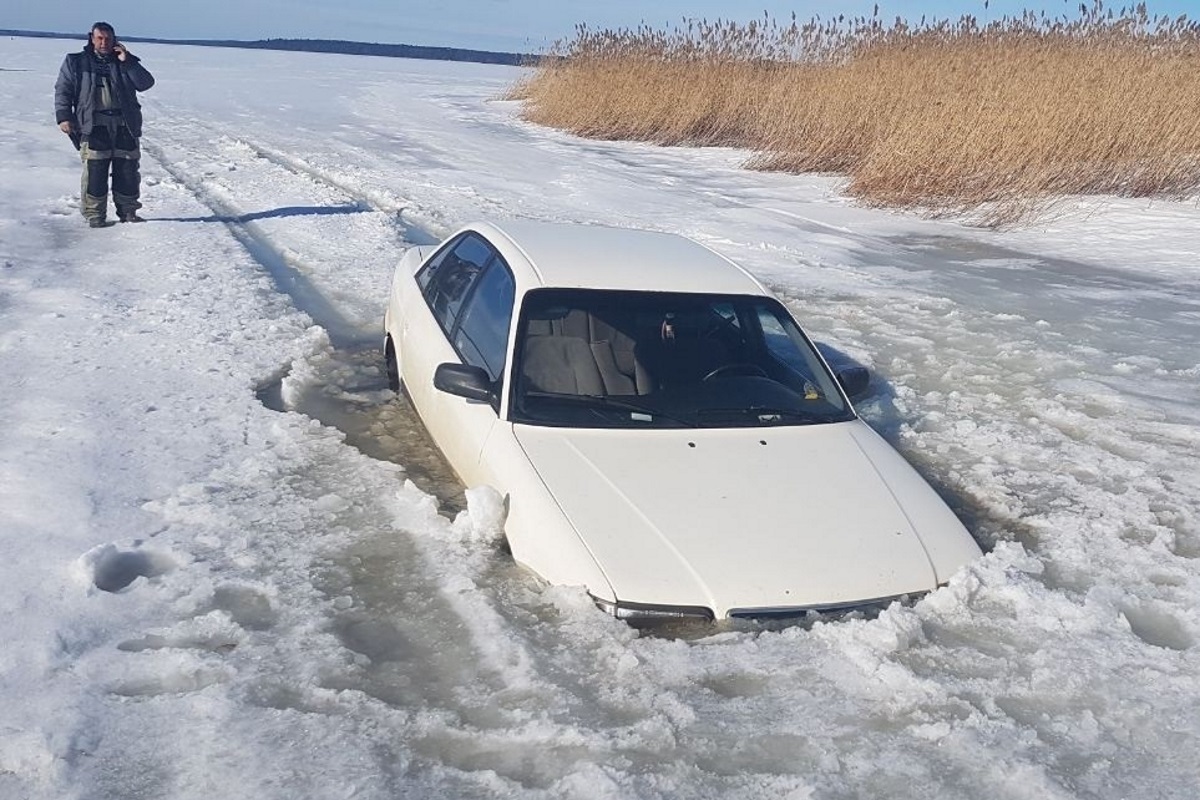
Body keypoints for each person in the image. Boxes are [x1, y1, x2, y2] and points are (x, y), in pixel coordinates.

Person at [54, 22, 155, 228]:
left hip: (124, 123)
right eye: (100, 38)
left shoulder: (124, 61)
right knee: (95, 170)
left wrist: (128, 62)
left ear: (115, 40)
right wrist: (64, 117)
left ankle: (128, 212)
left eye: (108, 39)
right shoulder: (76, 62)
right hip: (93, 123)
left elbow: (145, 83)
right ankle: (95, 215)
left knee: (127, 169)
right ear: (91, 38)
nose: (104, 43)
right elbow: (63, 90)